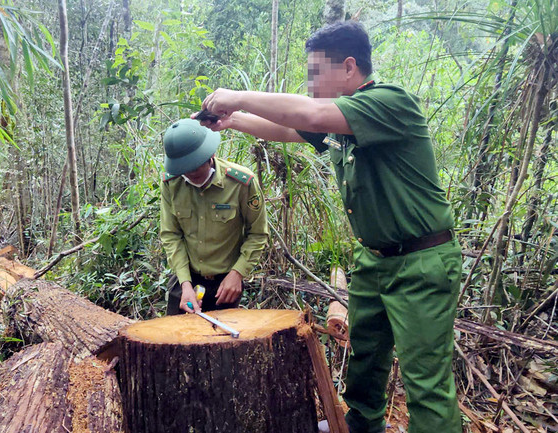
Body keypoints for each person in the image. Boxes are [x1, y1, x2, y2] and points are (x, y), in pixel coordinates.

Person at [196, 21, 462, 433]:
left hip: (421, 263)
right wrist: (233, 121)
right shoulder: (342, 122)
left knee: (425, 383)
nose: (310, 82)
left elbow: (308, 112)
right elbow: (290, 129)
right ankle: (361, 428)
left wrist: (234, 96)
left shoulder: (390, 102)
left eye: (316, 73)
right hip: (373, 261)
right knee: (366, 363)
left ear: (349, 67)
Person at [160, 118, 269, 315]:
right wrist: (185, 284)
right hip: (186, 279)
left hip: (225, 285)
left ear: (210, 155)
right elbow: (171, 235)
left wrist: (237, 274)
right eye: (184, 170)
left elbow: (258, 234)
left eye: (195, 168)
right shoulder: (171, 183)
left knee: (222, 342)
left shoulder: (241, 183)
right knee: (174, 339)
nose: (190, 174)